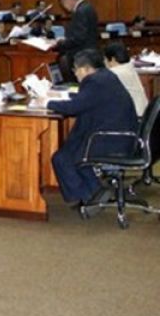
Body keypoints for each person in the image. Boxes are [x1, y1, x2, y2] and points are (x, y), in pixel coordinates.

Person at [42, 49, 138, 205]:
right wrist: (63, 97)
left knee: (63, 158)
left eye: (76, 69)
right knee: (70, 154)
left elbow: (73, 108)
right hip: (122, 135)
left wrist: (46, 103)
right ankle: (95, 192)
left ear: (86, 69)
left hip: (110, 139)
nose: (75, 74)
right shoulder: (105, 77)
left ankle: (87, 198)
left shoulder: (95, 82)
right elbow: (88, 99)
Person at [55, 0, 98, 81]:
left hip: (82, 57)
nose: (62, 4)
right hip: (89, 54)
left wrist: (60, 43)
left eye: (62, 0)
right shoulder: (88, 7)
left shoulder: (80, 11)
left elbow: (78, 38)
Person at [103, 42, 148, 117]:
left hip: (134, 117)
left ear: (113, 59)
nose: (104, 62)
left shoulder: (114, 73)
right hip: (142, 114)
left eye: (105, 59)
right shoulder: (129, 68)